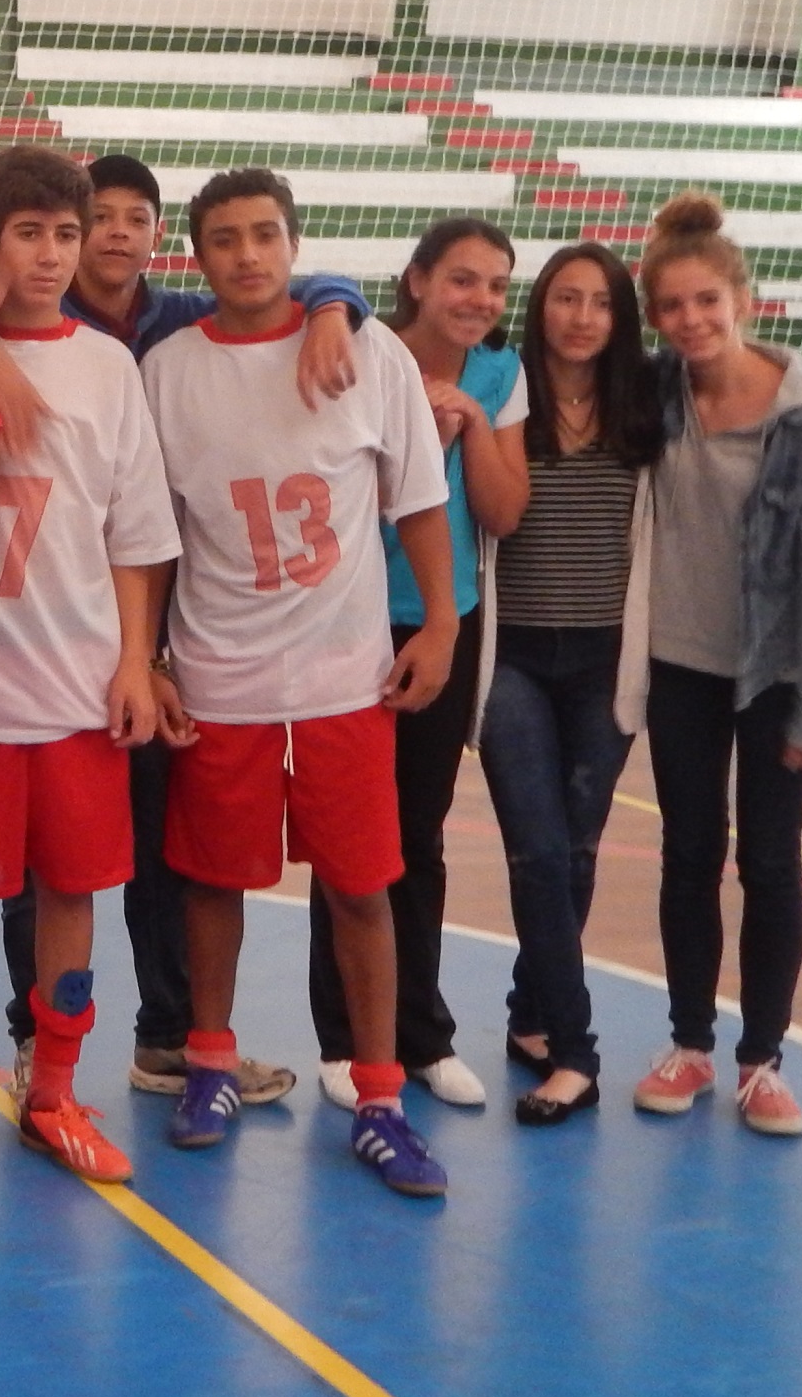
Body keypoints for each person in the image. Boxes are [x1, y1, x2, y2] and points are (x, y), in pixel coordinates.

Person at [0, 150, 366, 1113]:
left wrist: (334, 304)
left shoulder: (176, 324)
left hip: (142, 647)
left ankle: (169, 1038)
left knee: (155, 852)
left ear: (155, 238)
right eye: (86, 219)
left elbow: (305, 283)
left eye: (128, 218)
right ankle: (33, 1041)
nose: (104, 236)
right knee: (31, 874)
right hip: (11, 658)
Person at [142, 168, 456, 1198]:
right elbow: (149, 535)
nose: (248, 255)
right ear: (197, 256)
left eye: (265, 234)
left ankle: (379, 1098)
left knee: (361, 888)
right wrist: (151, 660)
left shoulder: (370, 351)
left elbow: (418, 497)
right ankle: (211, 1064)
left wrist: (442, 622)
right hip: (221, 675)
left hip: (345, 679)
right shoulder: (167, 371)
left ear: (294, 242)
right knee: (213, 882)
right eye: (225, 238)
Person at [0, 147, 178, 1190]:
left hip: (76, 689)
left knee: (74, 893)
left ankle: (54, 1094)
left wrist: (135, 662)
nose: (51, 254)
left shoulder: (110, 367)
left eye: (67, 234)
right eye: (28, 234)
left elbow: (136, 534)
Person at [628, 194, 802, 1137]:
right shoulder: (655, 393)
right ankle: (689, 1042)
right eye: (672, 306)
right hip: (679, 664)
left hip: (776, 674)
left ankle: (762, 1060)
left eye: (706, 302)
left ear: (742, 300)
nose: (691, 321)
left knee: (770, 860)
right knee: (689, 853)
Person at [306, 217, 527, 1113]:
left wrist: (472, 420)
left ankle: (422, 1035)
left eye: (496, 285)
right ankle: (342, 1040)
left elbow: (504, 512)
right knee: (348, 841)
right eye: (463, 280)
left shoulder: (501, 375)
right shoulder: (359, 354)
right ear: (418, 280)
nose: (480, 300)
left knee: (419, 838)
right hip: (352, 623)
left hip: (444, 626)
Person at [480, 242, 661, 1127]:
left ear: (620, 318)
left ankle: (531, 1009)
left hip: (605, 662)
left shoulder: (645, 403)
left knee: (576, 851)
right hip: (510, 657)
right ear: (539, 305)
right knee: (537, 850)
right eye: (566, 297)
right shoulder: (503, 390)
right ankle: (577, 1055)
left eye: (601, 302)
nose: (582, 317)